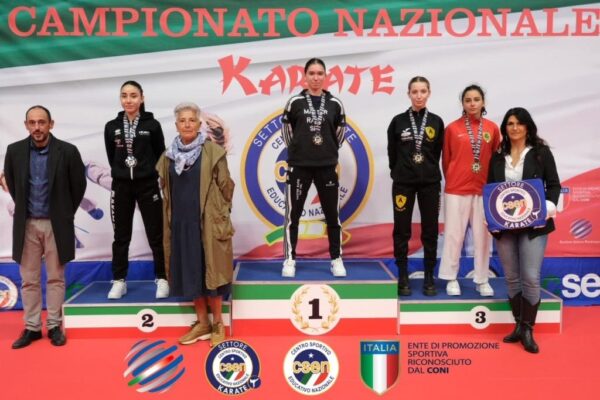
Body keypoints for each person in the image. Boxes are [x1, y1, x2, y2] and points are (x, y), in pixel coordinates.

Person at [4, 105, 86, 348]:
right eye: (32, 123)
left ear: (51, 124)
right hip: (27, 224)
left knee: (56, 278)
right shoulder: (14, 151)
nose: (37, 127)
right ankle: (31, 328)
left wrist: (63, 213)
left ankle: (53, 326)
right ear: (26, 125)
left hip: (56, 224)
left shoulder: (68, 151)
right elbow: (13, 184)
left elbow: (78, 186)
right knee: (28, 279)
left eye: (42, 122)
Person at [156, 102, 234, 347]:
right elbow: (165, 188)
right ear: (176, 125)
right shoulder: (168, 156)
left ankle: (218, 324)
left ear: (199, 124)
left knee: (212, 273)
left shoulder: (213, 152)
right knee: (190, 273)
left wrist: (218, 213)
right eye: (183, 120)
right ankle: (202, 323)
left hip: (208, 223)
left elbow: (226, 186)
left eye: (192, 120)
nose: (187, 124)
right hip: (181, 224)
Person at [488, 107, 560, 354]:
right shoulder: (498, 156)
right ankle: (519, 325)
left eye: (519, 123)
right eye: (510, 123)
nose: (515, 128)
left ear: (528, 126)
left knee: (530, 276)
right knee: (511, 277)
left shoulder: (541, 153)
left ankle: (528, 329)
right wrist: (490, 216)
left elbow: (554, 185)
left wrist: (547, 207)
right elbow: (491, 187)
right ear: (505, 128)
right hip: (504, 226)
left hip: (534, 225)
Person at [281, 57, 347, 278]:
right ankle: (290, 259)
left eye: (320, 73)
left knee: (332, 216)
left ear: (325, 76)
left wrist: (327, 151)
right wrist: (299, 151)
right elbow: (287, 133)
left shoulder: (335, 103)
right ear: (305, 76)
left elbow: (339, 134)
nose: (316, 78)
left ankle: (336, 258)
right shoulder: (295, 102)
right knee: (293, 216)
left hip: (326, 167)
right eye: (312, 73)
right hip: (299, 166)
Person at [104, 80, 168, 299]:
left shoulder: (152, 125)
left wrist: (146, 172)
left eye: (133, 95)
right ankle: (119, 280)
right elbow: (112, 156)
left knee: (156, 234)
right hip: (121, 186)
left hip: (147, 185)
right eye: (124, 95)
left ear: (142, 98)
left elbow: (160, 155)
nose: (128, 100)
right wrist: (123, 171)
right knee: (121, 236)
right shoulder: (111, 127)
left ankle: (162, 277)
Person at [438, 84, 501, 296]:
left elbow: (496, 159)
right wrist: (454, 179)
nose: (472, 104)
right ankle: (450, 277)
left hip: (484, 189)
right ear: (462, 104)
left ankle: (482, 279)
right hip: (456, 189)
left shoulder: (492, 128)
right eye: (468, 100)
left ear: (483, 102)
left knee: (483, 237)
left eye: (476, 99)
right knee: (453, 235)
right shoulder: (452, 129)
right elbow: (446, 160)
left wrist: (491, 186)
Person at [387, 76, 444, 296]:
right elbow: (392, 153)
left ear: (429, 93)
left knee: (430, 230)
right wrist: (400, 172)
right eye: (415, 92)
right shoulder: (398, 121)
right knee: (402, 230)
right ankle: (402, 274)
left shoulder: (436, 121)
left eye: (423, 91)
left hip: (430, 184)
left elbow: (437, 153)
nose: (419, 96)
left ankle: (429, 275)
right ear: (408, 94)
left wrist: (425, 169)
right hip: (403, 184)